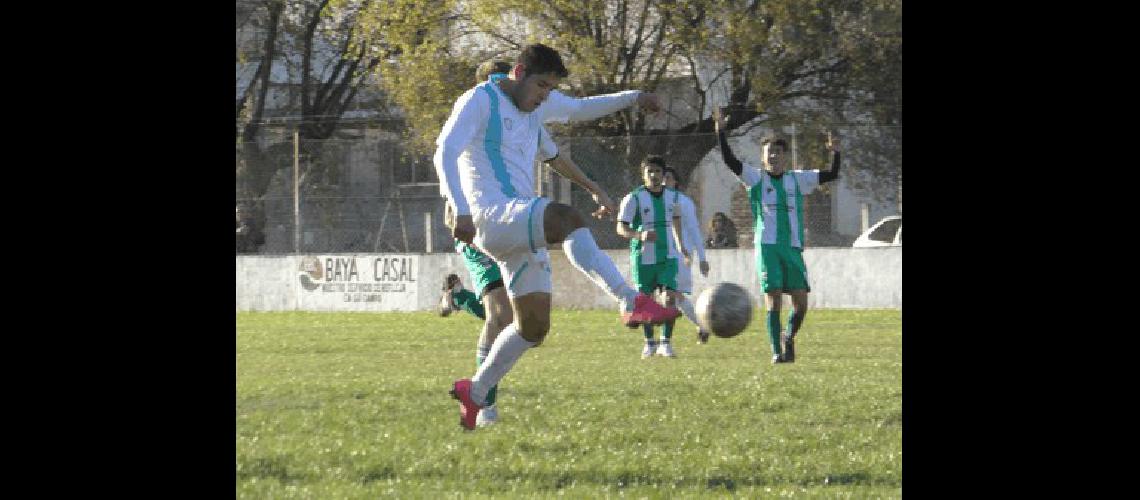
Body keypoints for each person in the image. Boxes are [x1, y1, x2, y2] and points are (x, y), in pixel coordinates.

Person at [436, 43, 680, 430]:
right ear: (518, 73)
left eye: (550, 89)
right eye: (541, 86)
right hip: (490, 216)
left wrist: (636, 97)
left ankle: (476, 392)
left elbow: (582, 108)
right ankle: (630, 299)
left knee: (533, 326)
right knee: (566, 217)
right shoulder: (480, 100)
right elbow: (444, 152)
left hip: (515, 222)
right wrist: (460, 208)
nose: (545, 96)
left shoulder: (536, 107)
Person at [712, 107, 841, 363]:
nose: (773, 156)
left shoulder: (798, 179)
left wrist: (835, 153)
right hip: (768, 247)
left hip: (792, 246)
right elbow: (729, 161)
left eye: (777, 152)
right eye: (768, 152)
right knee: (773, 300)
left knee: (801, 304)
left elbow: (832, 174)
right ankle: (776, 352)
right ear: (763, 158)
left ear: (785, 157)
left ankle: (788, 337)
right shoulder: (756, 179)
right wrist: (721, 133)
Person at [616, 156, 690, 358]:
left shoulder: (673, 196)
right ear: (643, 175)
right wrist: (640, 235)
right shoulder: (634, 198)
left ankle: (666, 343)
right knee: (646, 301)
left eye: (658, 172)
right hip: (643, 257)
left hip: (667, 255)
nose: (654, 176)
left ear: (663, 174)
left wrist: (681, 245)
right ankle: (649, 343)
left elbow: (675, 219)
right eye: (650, 172)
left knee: (669, 297)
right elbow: (621, 227)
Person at [662, 166, 712, 344]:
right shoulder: (651, 201)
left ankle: (663, 343)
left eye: (667, 177)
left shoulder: (683, 202)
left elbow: (693, 230)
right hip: (658, 256)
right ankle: (701, 325)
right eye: (662, 176)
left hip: (679, 255)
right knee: (672, 297)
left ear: (676, 182)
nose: (663, 180)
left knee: (672, 296)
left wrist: (702, 258)